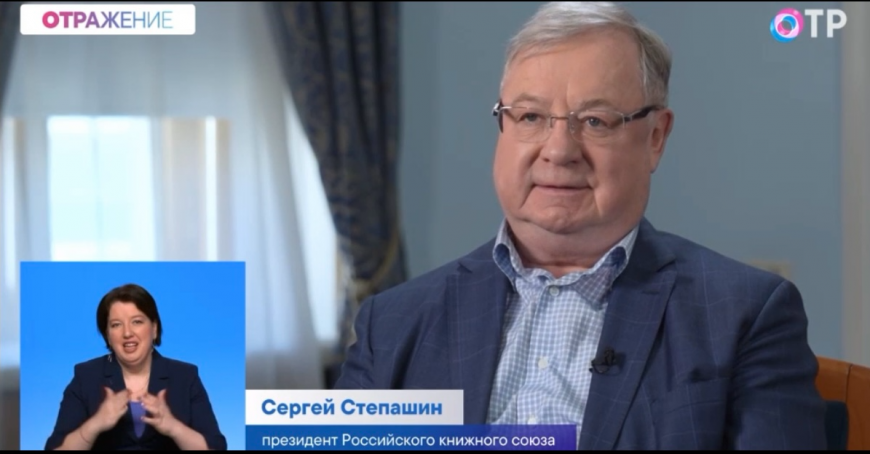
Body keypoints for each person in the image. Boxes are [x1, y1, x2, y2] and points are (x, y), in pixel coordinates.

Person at [335, 1, 827, 450]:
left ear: (655, 138)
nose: (558, 150)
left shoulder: (745, 314)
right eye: (530, 116)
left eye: (595, 121)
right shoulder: (393, 322)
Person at [45, 283, 227, 450]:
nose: (127, 333)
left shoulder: (185, 376)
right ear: (107, 335)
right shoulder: (86, 377)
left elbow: (216, 447)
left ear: (154, 328)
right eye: (116, 325)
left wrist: (174, 427)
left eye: (137, 322)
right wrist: (95, 424)